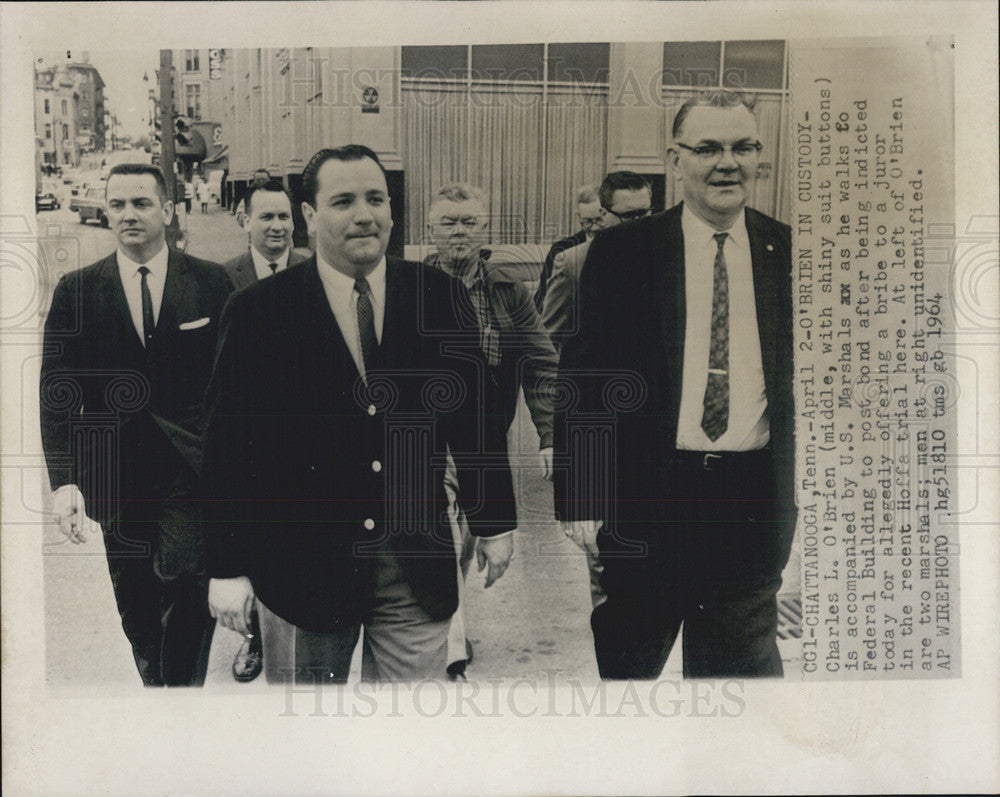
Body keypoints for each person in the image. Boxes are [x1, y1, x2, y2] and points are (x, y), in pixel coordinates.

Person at [201, 145, 518, 684]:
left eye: (376, 199)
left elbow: (475, 420)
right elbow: (229, 445)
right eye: (343, 201)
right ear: (309, 215)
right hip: (303, 565)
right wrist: (228, 566)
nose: (364, 215)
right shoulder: (259, 311)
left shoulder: (438, 298)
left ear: (393, 212)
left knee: (407, 733)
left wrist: (494, 522)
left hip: (413, 562)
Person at [554, 91, 796, 679]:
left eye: (743, 147)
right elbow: (585, 376)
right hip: (647, 502)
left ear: (760, 156)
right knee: (630, 674)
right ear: (674, 159)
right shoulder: (622, 252)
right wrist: (583, 493)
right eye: (708, 147)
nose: (727, 162)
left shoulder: (789, 252)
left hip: (749, 504)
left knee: (738, 692)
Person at [40, 163, 233, 686]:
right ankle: (158, 686)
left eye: (142, 203)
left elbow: (233, 383)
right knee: (137, 603)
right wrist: (65, 481)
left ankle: (181, 698)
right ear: (107, 211)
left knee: (188, 582)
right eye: (118, 204)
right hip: (115, 476)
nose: (129, 215)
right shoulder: (77, 291)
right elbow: (58, 392)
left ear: (168, 211)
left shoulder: (212, 283)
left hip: (189, 472)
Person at [423, 183, 558, 678]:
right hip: (426, 437)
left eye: (471, 222)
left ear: (486, 229)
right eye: (449, 223)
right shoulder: (410, 285)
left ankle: (444, 627)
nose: (460, 232)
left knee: (461, 537)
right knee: (442, 530)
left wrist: (549, 433)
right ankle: (448, 644)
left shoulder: (508, 292)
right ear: (429, 230)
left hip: (484, 437)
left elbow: (542, 364)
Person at [219, 178, 307, 682]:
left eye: (284, 217)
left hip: (304, 436)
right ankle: (254, 641)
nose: (276, 226)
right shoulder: (222, 277)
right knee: (252, 544)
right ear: (245, 220)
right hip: (247, 434)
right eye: (265, 216)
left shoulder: (318, 271)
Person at [541, 171, 653, 353]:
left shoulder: (665, 257)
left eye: (644, 213)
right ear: (604, 213)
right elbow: (548, 339)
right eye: (629, 216)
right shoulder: (573, 262)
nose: (639, 223)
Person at [223, 180, 307, 291]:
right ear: (247, 222)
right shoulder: (225, 276)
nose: (277, 227)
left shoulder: (313, 272)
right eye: (267, 217)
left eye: (283, 217)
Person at [532, 185, 604, 312]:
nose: (594, 228)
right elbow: (542, 297)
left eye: (599, 220)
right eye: (587, 221)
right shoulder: (561, 248)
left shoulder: (618, 245)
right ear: (579, 217)